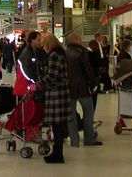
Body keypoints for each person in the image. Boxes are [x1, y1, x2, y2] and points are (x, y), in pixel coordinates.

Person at [65, 33, 100, 147]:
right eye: (79, 38)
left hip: (69, 89)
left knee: (71, 115)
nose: (81, 40)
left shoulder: (64, 53)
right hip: (82, 88)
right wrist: (94, 83)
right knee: (88, 112)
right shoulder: (82, 52)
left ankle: (74, 141)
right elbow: (88, 69)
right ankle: (89, 139)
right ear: (76, 40)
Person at [41, 33, 70, 164]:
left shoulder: (53, 56)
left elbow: (51, 76)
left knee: (56, 125)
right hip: (63, 92)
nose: (43, 49)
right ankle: (58, 152)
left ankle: (58, 154)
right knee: (59, 125)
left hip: (55, 94)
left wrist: (40, 81)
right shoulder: (62, 54)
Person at [86, 39, 102, 112]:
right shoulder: (91, 54)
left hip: (91, 79)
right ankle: (90, 117)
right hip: (93, 79)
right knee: (93, 99)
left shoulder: (87, 53)